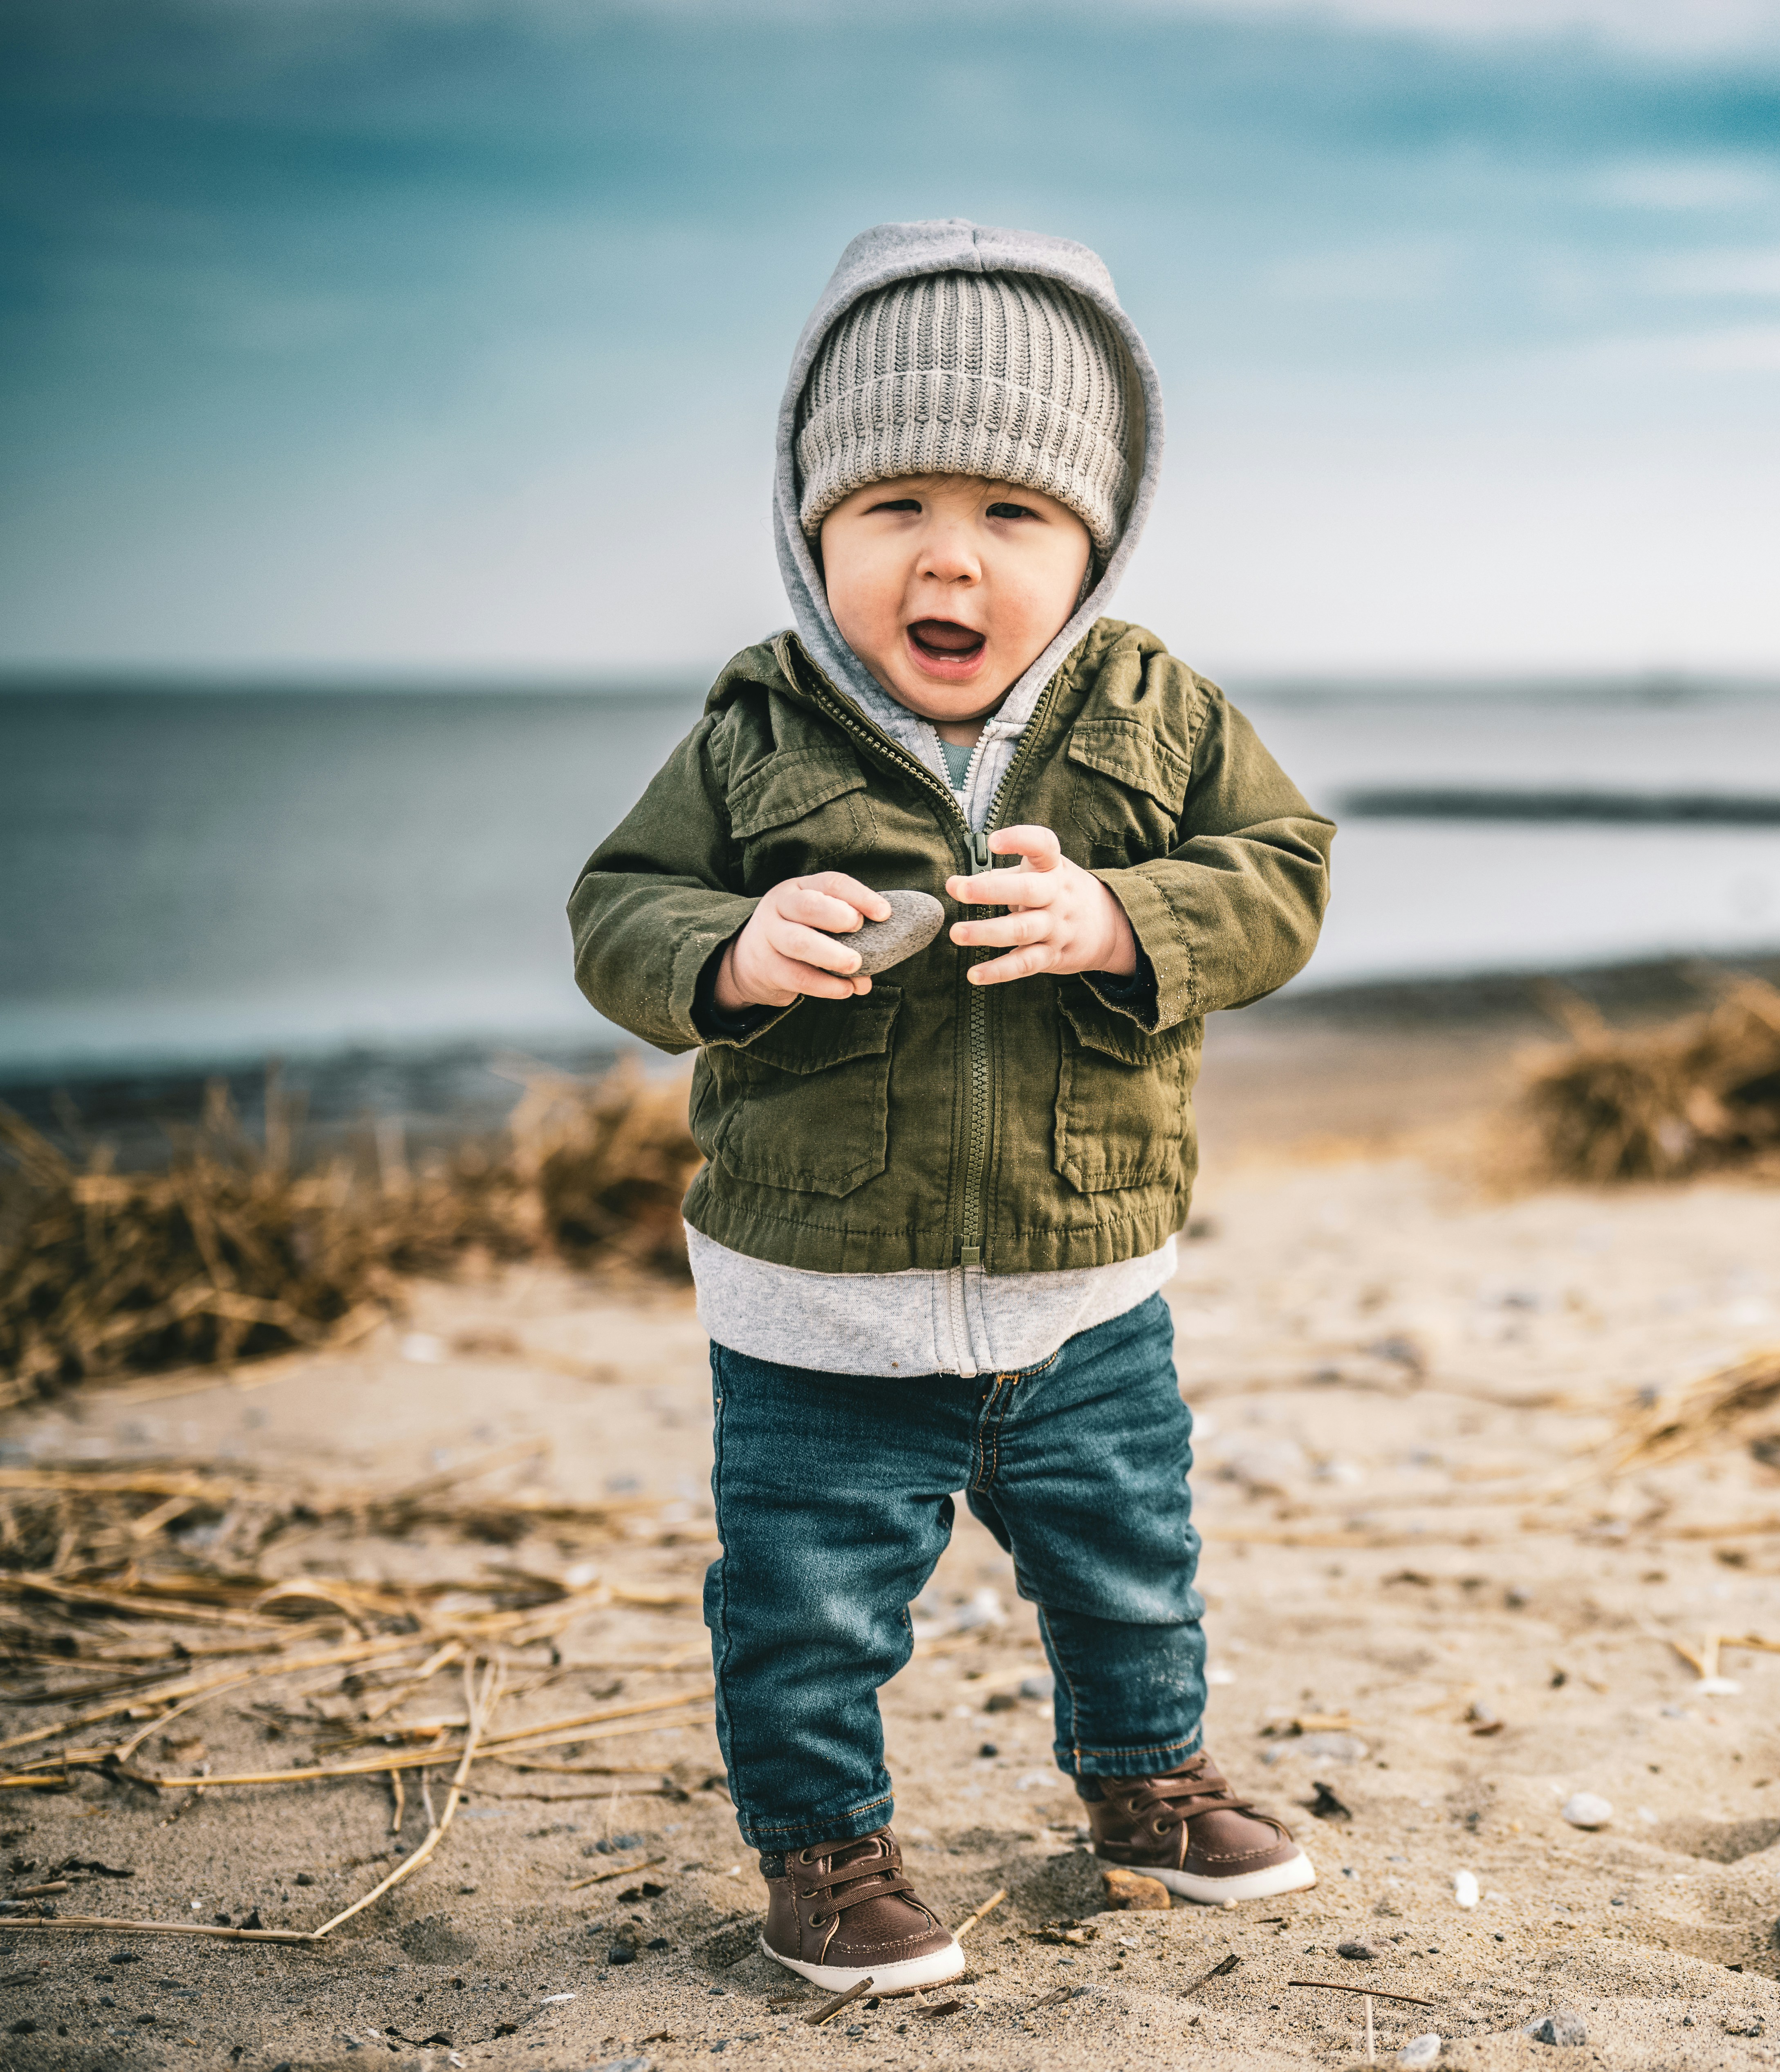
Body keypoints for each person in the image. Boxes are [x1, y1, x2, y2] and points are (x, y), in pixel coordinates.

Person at [569, 220, 1334, 1997]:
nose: (949, 556)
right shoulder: (755, 723)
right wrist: (734, 948)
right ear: (810, 528)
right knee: (809, 1607)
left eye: (1011, 516)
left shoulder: (1153, 707)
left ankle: (1145, 1785)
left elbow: (1281, 875)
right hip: (818, 1302)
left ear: (1091, 542)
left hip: (1081, 1284)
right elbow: (620, 908)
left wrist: (1126, 916)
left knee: (1133, 1559)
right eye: (892, 508)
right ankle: (826, 1855)